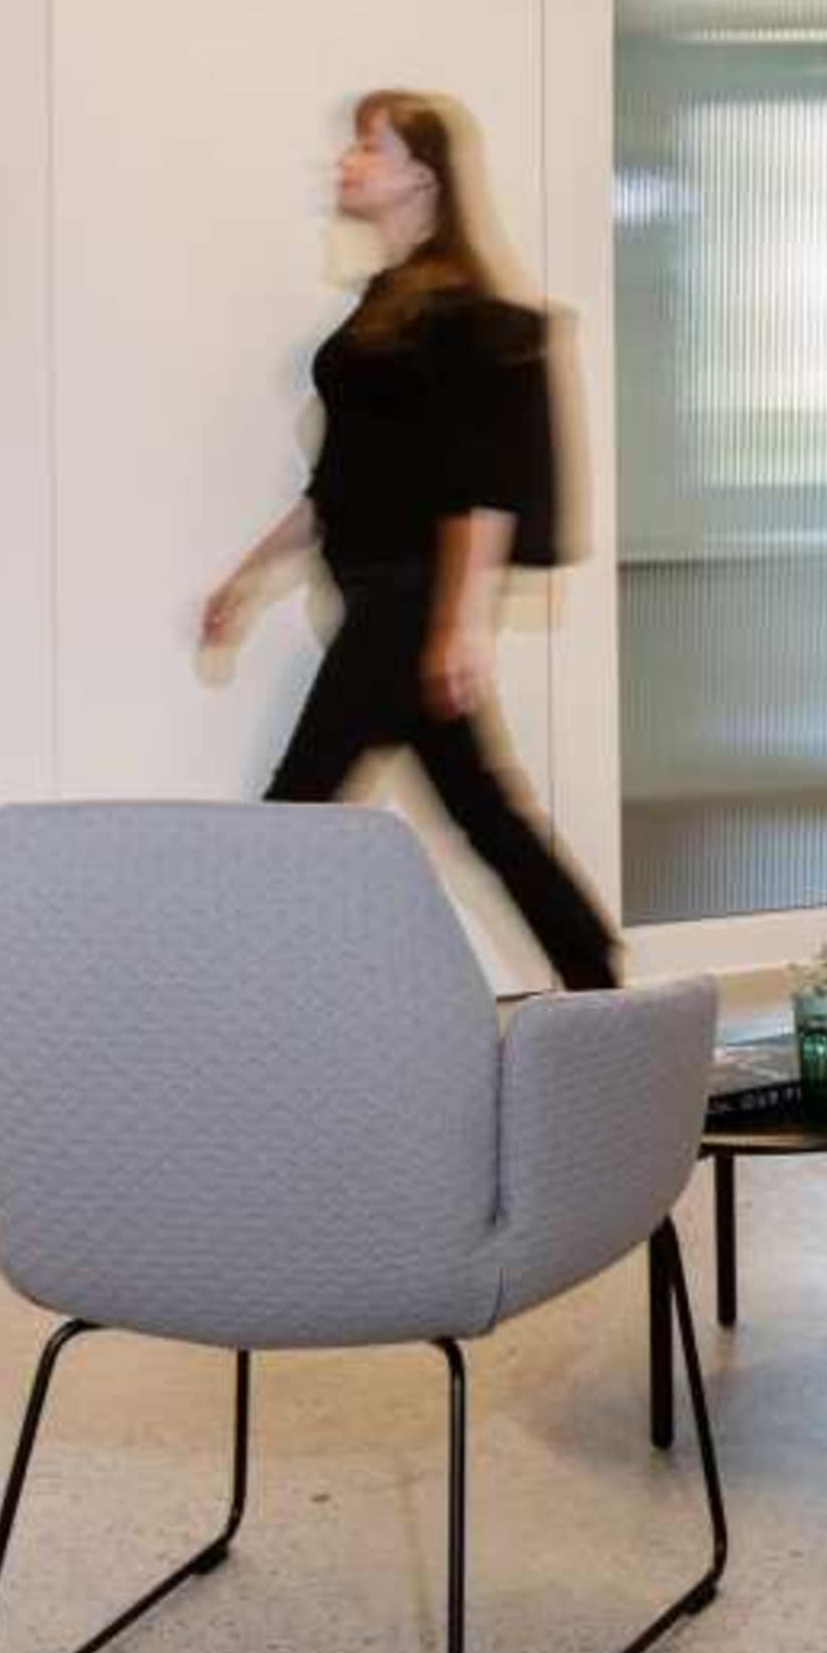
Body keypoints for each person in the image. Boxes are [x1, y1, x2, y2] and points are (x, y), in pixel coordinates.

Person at [201, 90, 622, 991]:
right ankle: (597, 977)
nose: (347, 163)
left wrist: (460, 624)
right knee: (485, 816)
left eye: (368, 148)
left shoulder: (459, 309)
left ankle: (224, 1001)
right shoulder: (387, 307)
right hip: (384, 600)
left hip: (405, 604)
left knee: (296, 808)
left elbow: (488, 481)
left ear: (421, 175)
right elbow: (345, 482)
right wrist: (248, 574)